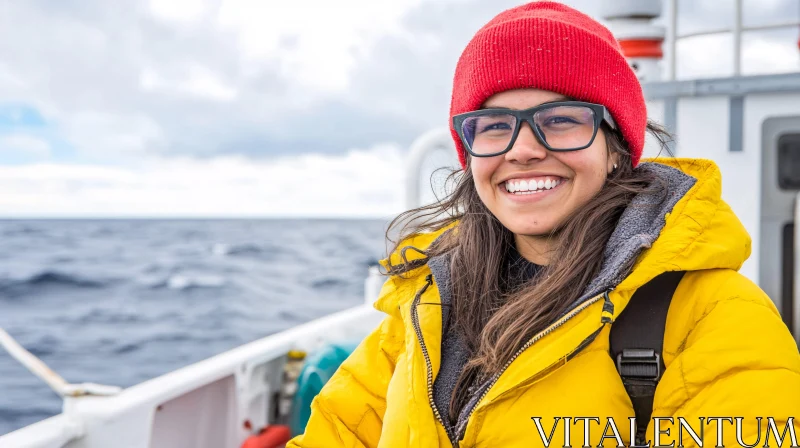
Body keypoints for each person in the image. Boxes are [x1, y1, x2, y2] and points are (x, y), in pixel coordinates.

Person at [287, 2, 800, 447]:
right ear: (470, 153)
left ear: (616, 148)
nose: (524, 149)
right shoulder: (422, 307)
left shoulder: (715, 318)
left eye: (560, 120)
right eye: (494, 127)